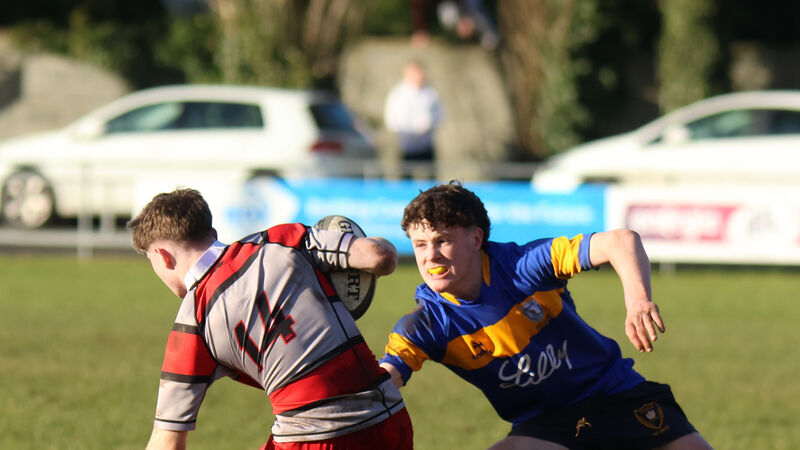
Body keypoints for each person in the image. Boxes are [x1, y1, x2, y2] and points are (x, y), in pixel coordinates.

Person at [379, 181, 713, 449]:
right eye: (420, 244)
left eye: (442, 240)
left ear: (475, 238)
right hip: (548, 426)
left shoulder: (524, 267)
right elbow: (385, 376)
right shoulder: (426, 325)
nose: (430, 255)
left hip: (614, 395)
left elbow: (621, 241)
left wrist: (638, 301)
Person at [127, 188, 412, 450]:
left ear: (162, 257)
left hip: (311, 437)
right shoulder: (281, 240)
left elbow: (167, 439)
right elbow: (379, 256)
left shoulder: (193, 323)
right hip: (389, 417)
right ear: (212, 232)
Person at [383, 60, 443, 165]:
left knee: (429, 173)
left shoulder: (430, 93)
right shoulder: (398, 94)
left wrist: (428, 127)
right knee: (405, 173)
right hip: (405, 142)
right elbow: (391, 118)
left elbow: (439, 115)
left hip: (426, 141)